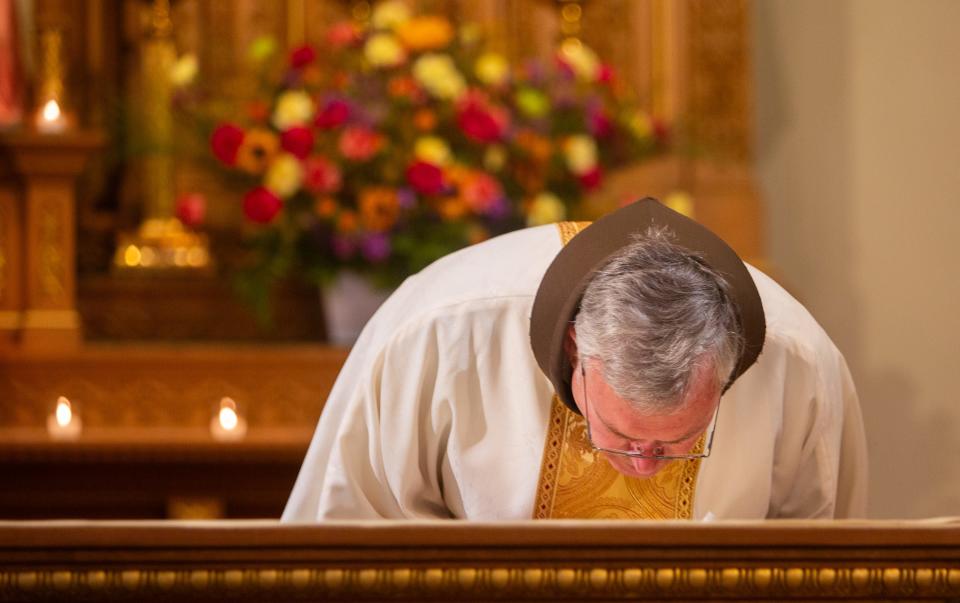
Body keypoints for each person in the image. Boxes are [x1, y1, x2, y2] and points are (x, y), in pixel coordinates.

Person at [282, 198, 867, 521]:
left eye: (679, 442)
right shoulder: (438, 333)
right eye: (619, 435)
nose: (643, 467)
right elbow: (342, 538)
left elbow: (823, 565)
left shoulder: (799, 366)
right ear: (573, 350)